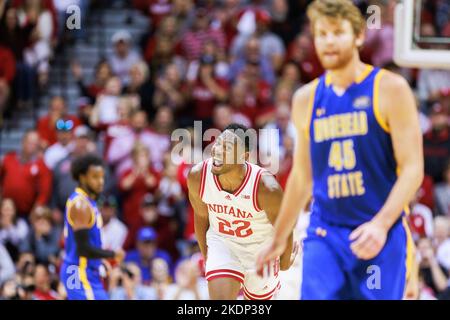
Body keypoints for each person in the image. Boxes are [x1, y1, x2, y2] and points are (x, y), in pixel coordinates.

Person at [257, 0, 423, 300]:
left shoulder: (390, 89)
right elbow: (302, 177)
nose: (328, 41)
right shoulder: (305, 99)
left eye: (337, 32)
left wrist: (381, 224)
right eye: (321, 34)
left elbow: (413, 169)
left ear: (359, 36)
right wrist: (278, 237)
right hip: (325, 233)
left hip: (378, 231)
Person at [187, 123, 297, 300]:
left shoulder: (265, 187)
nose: (217, 150)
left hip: (261, 250)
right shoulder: (198, 176)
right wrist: (208, 257)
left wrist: (283, 263)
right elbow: (200, 216)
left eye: (227, 147)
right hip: (223, 243)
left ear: (243, 156)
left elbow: (284, 225)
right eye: (218, 143)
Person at [59, 154, 124, 300]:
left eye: (102, 177)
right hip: (78, 272)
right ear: (82, 177)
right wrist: (112, 255)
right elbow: (83, 249)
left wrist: (100, 261)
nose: (101, 182)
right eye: (95, 177)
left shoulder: (89, 201)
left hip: (87, 271)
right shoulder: (80, 205)